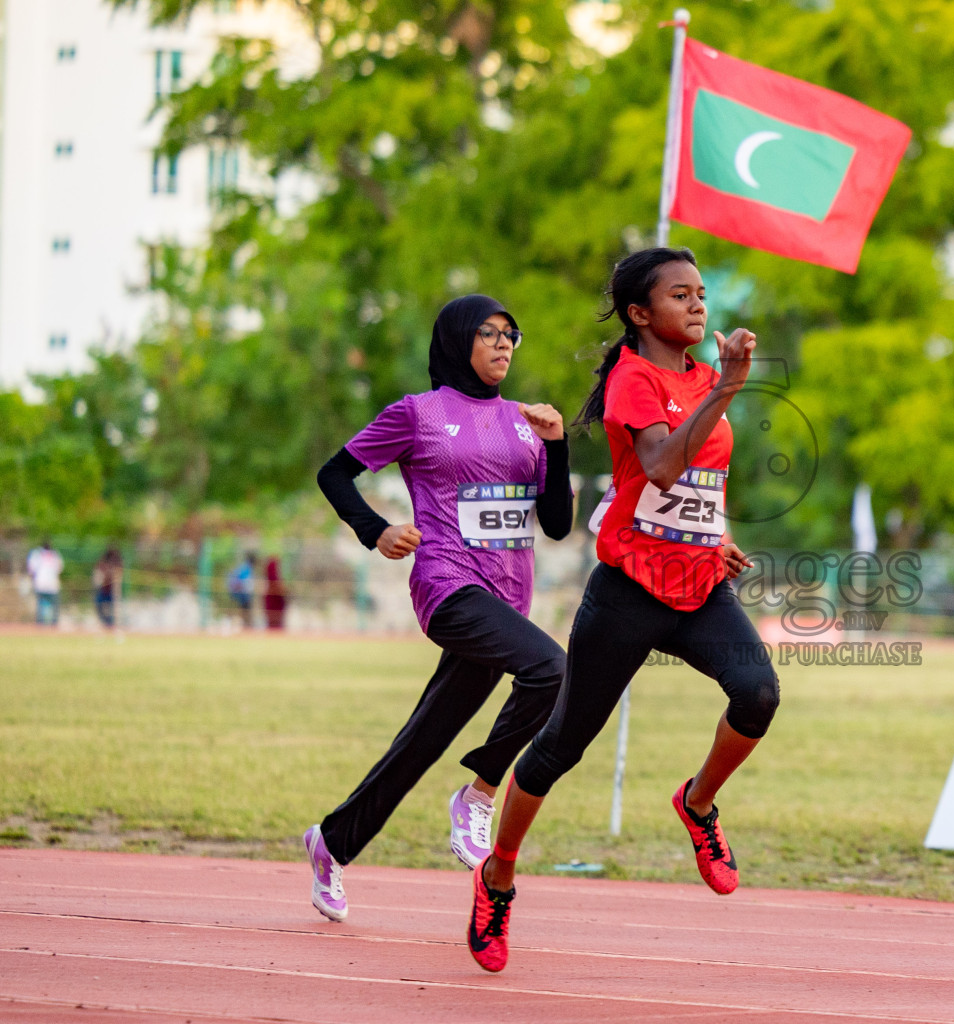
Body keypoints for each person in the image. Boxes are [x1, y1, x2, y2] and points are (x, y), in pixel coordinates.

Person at [466, 248, 777, 973]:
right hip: (629, 590)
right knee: (559, 747)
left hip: (699, 584)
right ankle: (498, 877)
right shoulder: (635, 382)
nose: (699, 306)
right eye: (681, 295)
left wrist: (713, 534)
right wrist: (728, 390)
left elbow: (690, 481)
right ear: (641, 314)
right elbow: (662, 462)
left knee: (758, 693)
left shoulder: (703, 377)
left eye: (701, 294)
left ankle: (697, 804)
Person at [301, 294, 573, 924]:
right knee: (551, 669)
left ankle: (332, 843)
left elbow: (556, 523)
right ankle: (479, 793)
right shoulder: (417, 414)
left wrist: (557, 446)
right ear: (457, 340)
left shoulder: (523, 422)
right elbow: (334, 474)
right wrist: (376, 530)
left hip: (508, 596)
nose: (505, 344)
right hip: (448, 586)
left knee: (425, 737)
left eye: (513, 334)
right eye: (490, 333)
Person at [25, 540, 63, 627]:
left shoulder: (37, 554)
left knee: (40, 605)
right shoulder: (55, 555)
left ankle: (41, 624)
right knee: (54, 605)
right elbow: (60, 568)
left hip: (41, 583)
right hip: (52, 584)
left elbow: (31, 569)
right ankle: (53, 623)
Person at [92, 548, 123, 628]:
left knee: (113, 610)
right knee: (99, 605)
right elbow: (97, 576)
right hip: (103, 590)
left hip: (112, 591)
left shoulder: (117, 564)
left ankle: (111, 625)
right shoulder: (102, 564)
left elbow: (118, 579)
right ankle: (106, 623)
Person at [227, 553, 256, 628]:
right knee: (245, 611)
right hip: (242, 594)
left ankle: (244, 625)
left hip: (237, 593)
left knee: (243, 610)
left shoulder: (244, 567)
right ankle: (245, 626)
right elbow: (245, 582)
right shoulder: (247, 568)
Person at [262, 557, 287, 630]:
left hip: (276, 603)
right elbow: (275, 587)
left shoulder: (276, 576)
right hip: (273, 602)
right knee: (273, 625)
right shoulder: (272, 574)